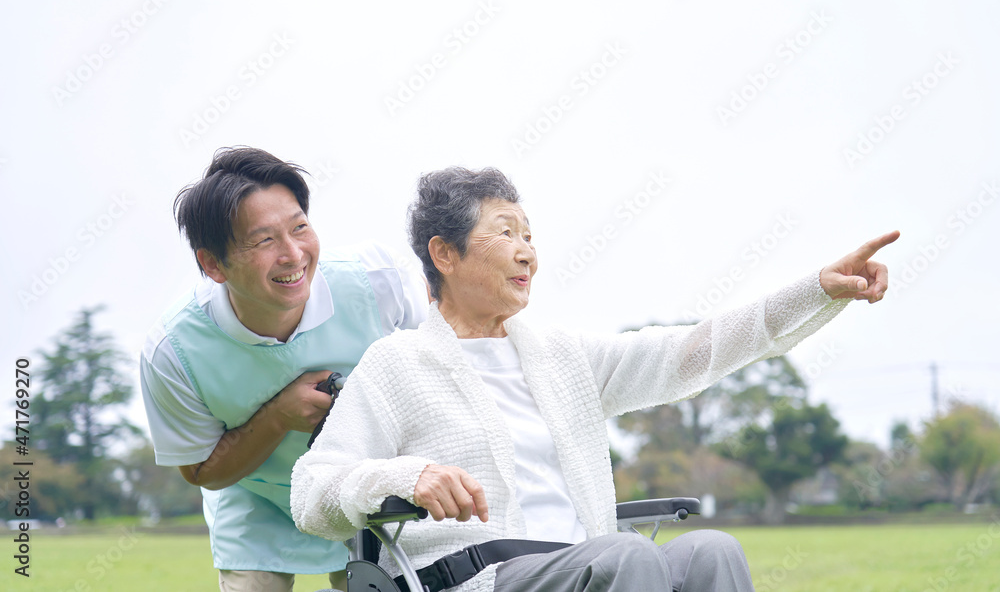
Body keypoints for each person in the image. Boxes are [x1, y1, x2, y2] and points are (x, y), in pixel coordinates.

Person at [291, 166, 898, 592]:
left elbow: (696, 349)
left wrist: (815, 292)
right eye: (505, 233)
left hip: (593, 566)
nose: (527, 251)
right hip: (479, 576)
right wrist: (408, 476)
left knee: (713, 551)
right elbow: (312, 492)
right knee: (624, 557)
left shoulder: (562, 358)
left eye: (529, 235)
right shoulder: (399, 364)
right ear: (444, 254)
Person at [139, 147, 428, 592]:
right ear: (212, 264)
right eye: (263, 241)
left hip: (365, 488)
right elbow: (201, 472)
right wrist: (278, 416)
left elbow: (440, 369)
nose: (293, 255)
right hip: (256, 503)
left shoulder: (377, 280)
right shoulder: (173, 351)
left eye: (299, 228)